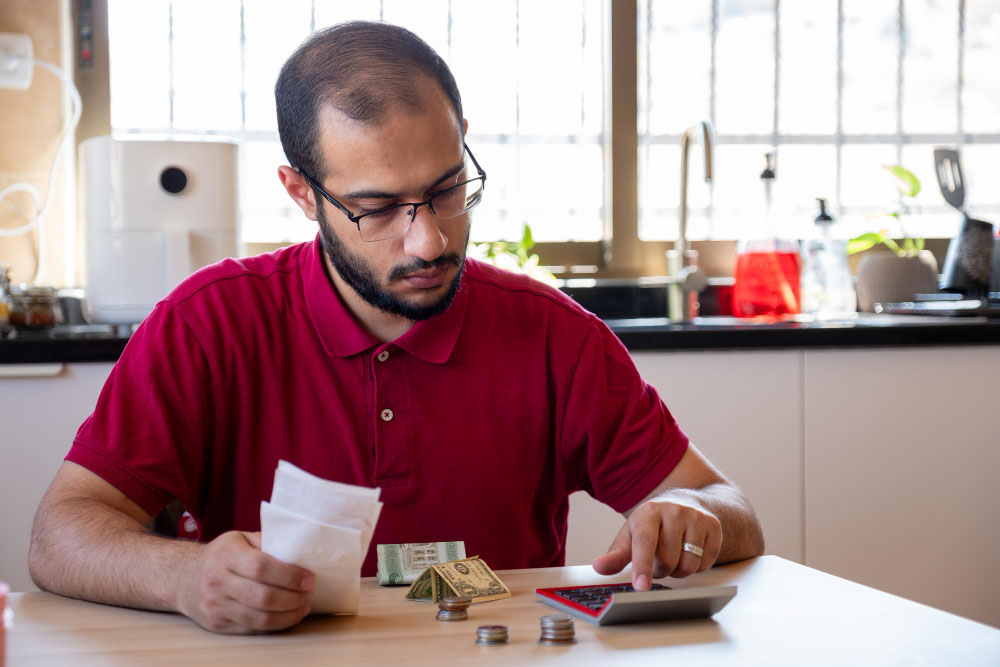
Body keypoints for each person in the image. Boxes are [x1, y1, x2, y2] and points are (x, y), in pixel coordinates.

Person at [28, 21, 764, 635]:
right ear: (301, 193)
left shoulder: (554, 336)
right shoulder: (208, 324)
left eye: (447, 190)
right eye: (377, 208)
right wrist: (185, 576)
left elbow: (733, 511)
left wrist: (689, 513)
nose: (430, 242)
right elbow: (60, 536)